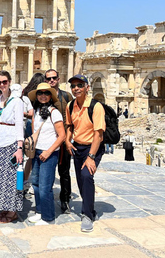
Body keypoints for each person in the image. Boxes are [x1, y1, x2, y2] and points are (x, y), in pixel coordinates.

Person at [65, 74, 105, 232]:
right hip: (77, 146)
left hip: (93, 147)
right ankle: (89, 207)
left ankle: (87, 214)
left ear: (87, 87)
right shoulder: (70, 105)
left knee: (87, 176)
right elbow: (69, 126)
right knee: (81, 180)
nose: (76, 88)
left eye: (80, 85)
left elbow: (99, 134)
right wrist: (68, 141)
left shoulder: (96, 106)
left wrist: (91, 157)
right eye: (73, 86)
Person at [0, 71, 24, 224]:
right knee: (0, 178)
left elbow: (19, 125)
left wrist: (20, 147)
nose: (2, 85)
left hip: (10, 142)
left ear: (9, 82)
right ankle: (4, 207)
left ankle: (13, 211)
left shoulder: (17, 101)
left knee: (10, 178)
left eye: (4, 82)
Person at [27, 83, 65, 225]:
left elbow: (62, 136)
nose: (43, 95)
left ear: (50, 96)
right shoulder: (36, 112)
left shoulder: (55, 112)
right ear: (36, 96)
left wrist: (48, 151)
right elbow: (34, 131)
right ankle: (40, 211)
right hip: (37, 152)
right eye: (40, 93)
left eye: (46, 93)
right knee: (35, 183)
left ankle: (48, 217)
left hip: (49, 154)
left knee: (45, 186)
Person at [45, 68, 73, 214]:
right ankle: (46, 200)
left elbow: (71, 121)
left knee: (64, 172)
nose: (51, 80)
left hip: (63, 141)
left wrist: (68, 140)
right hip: (48, 141)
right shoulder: (43, 96)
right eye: (49, 78)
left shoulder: (67, 96)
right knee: (47, 172)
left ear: (58, 79)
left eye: (54, 78)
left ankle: (65, 200)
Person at [21, 73, 45, 189]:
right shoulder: (40, 95)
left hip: (25, 125)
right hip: (34, 124)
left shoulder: (25, 92)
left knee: (27, 153)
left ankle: (23, 179)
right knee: (33, 154)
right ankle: (27, 179)